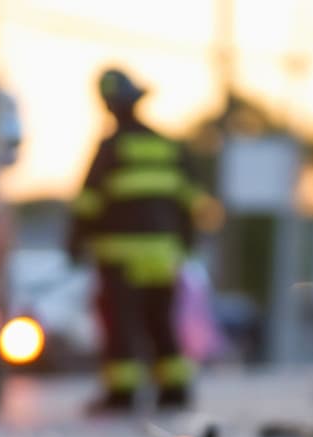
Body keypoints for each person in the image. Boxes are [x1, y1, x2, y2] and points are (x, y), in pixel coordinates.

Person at [69, 68, 209, 412]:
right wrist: (187, 243)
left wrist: (73, 243)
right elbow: (190, 201)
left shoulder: (111, 148)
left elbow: (88, 203)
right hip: (162, 255)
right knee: (160, 322)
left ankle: (122, 394)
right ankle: (175, 389)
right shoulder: (167, 146)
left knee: (121, 325)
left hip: (120, 257)